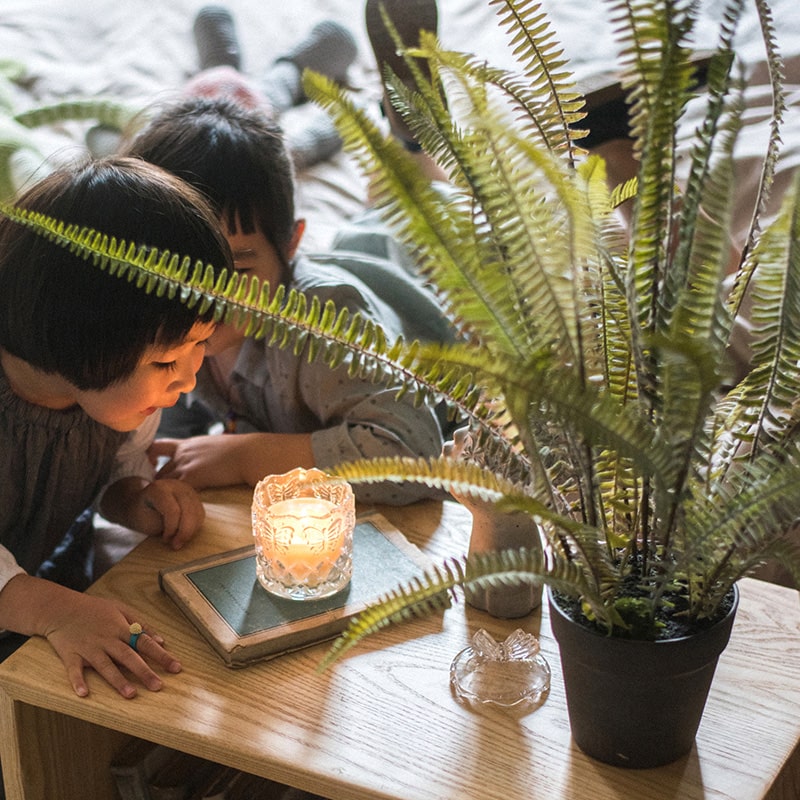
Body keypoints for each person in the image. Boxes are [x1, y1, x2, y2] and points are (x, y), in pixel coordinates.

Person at [121, 95, 457, 506]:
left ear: (291, 243)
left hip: (425, 287)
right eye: (177, 270)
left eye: (236, 272)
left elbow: (414, 453)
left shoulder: (323, 327)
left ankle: (415, 143)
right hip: (354, 253)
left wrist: (247, 455)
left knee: (422, 212)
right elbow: (162, 438)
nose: (200, 299)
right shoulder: (165, 325)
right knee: (375, 221)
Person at [0, 155, 233, 698]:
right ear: (78, 337)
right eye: (165, 363)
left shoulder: (111, 400)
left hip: (47, 579)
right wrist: (51, 609)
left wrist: (131, 498)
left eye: (200, 345)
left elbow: (114, 466)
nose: (188, 380)